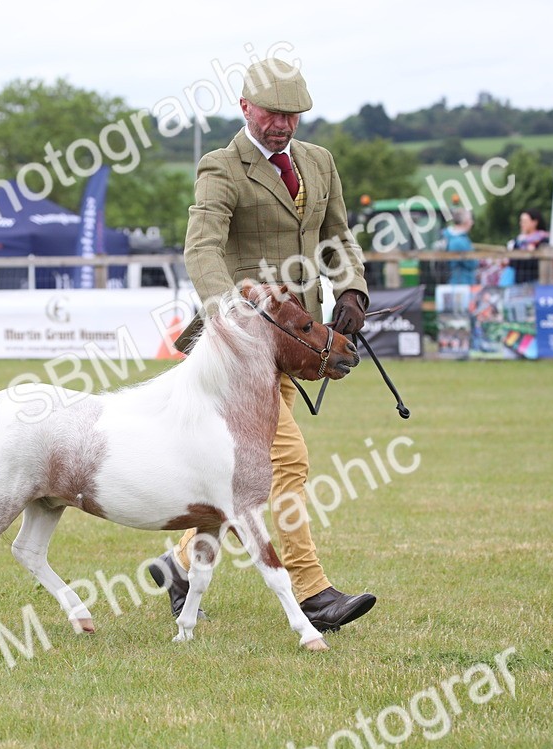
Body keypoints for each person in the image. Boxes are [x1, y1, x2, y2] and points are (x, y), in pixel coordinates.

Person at [147, 56, 376, 634]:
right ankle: (314, 592)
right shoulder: (221, 168)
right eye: (273, 113)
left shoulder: (319, 163)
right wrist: (234, 316)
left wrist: (351, 287)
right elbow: (202, 249)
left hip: (300, 342)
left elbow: (338, 235)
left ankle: (178, 569)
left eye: (293, 115)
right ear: (245, 106)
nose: (283, 125)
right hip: (245, 347)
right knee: (287, 462)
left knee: (246, 471)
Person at [507, 208, 549, 284]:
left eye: (525, 221)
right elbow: (512, 262)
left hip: (536, 281)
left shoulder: (543, 240)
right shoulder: (518, 240)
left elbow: (538, 263)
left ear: (534, 222)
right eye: (521, 221)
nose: (522, 224)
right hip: (519, 281)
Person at [443, 209, 479, 285]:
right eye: (470, 219)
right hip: (461, 283)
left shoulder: (456, 238)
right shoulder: (458, 241)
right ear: (465, 222)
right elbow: (472, 263)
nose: (472, 223)